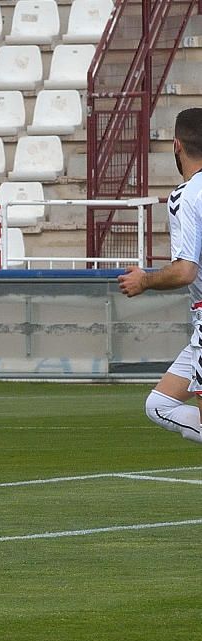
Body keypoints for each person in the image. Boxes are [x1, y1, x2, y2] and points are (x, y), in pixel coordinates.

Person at [119, 107, 202, 446]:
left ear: (176, 145)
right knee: (160, 404)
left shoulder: (186, 196)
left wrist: (145, 280)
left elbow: (185, 270)